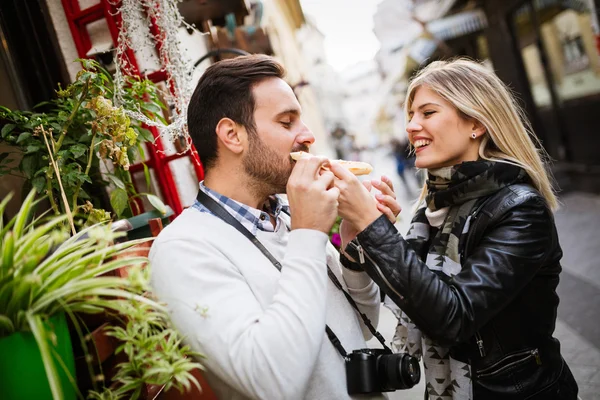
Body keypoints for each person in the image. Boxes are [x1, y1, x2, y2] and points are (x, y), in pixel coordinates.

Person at [148, 55, 399, 400]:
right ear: (232, 135)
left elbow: (364, 324)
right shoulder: (182, 249)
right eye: (286, 122)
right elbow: (272, 381)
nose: (308, 135)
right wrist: (309, 234)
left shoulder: (285, 214)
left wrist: (354, 249)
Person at [330, 59, 578, 399]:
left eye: (427, 113)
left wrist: (376, 229)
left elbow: (452, 316)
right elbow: (414, 295)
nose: (411, 126)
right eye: (411, 115)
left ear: (476, 122)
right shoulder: (434, 207)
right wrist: (361, 234)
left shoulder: (521, 208)